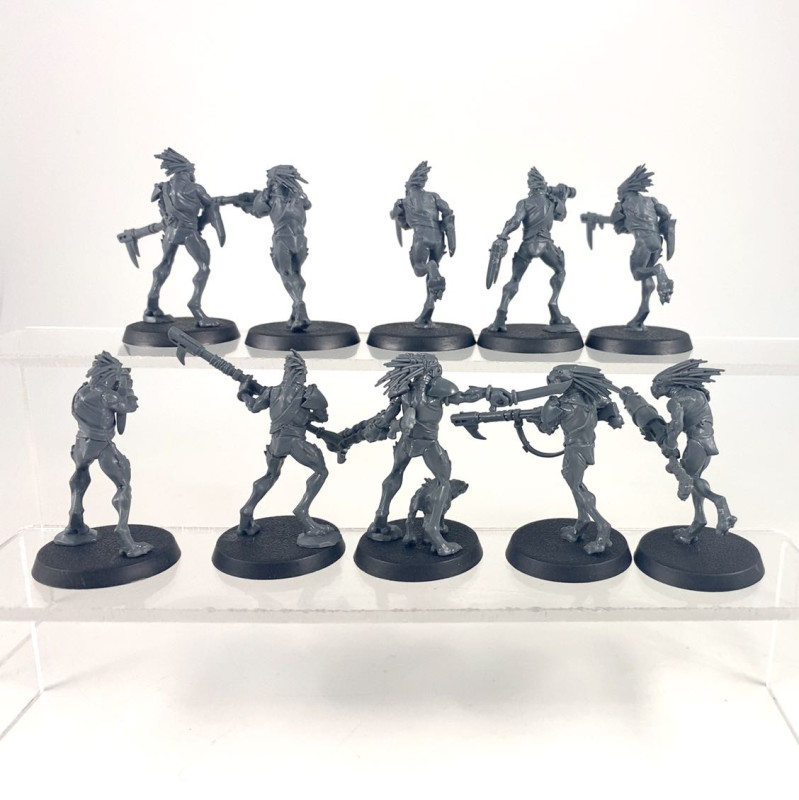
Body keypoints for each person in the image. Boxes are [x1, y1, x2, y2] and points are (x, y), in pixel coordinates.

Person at [56, 352, 152, 557]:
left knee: (80, 473)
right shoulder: (107, 395)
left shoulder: (81, 391)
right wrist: (127, 389)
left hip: (81, 443)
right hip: (101, 444)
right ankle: (125, 538)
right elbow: (130, 406)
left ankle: (75, 521)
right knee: (123, 485)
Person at [390, 162, 456, 328]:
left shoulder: (405, 201)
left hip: (421, 237)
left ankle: (431, 267)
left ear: (408, 186)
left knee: (420, 268)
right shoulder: (433, 196)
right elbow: (448, 213)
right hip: (438, 238)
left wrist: (396, 213)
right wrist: (451, 236)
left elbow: (405, 225)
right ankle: (428, 309)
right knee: (432, 276)